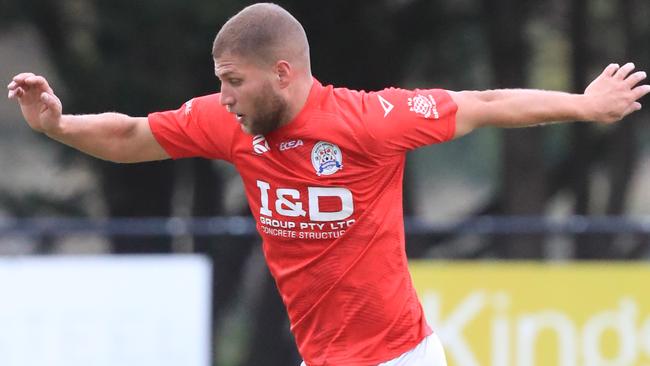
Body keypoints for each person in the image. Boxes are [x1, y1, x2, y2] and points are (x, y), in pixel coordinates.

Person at [7, 3, 649, 365]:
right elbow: (131, 136)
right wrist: (58, 125)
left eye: (233, 80)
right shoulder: (228, 124)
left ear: (282, 73)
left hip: (399, 359)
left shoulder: (368, 123)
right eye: (219, 79)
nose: (222, 95)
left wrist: (586, 105)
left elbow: (480, 102)